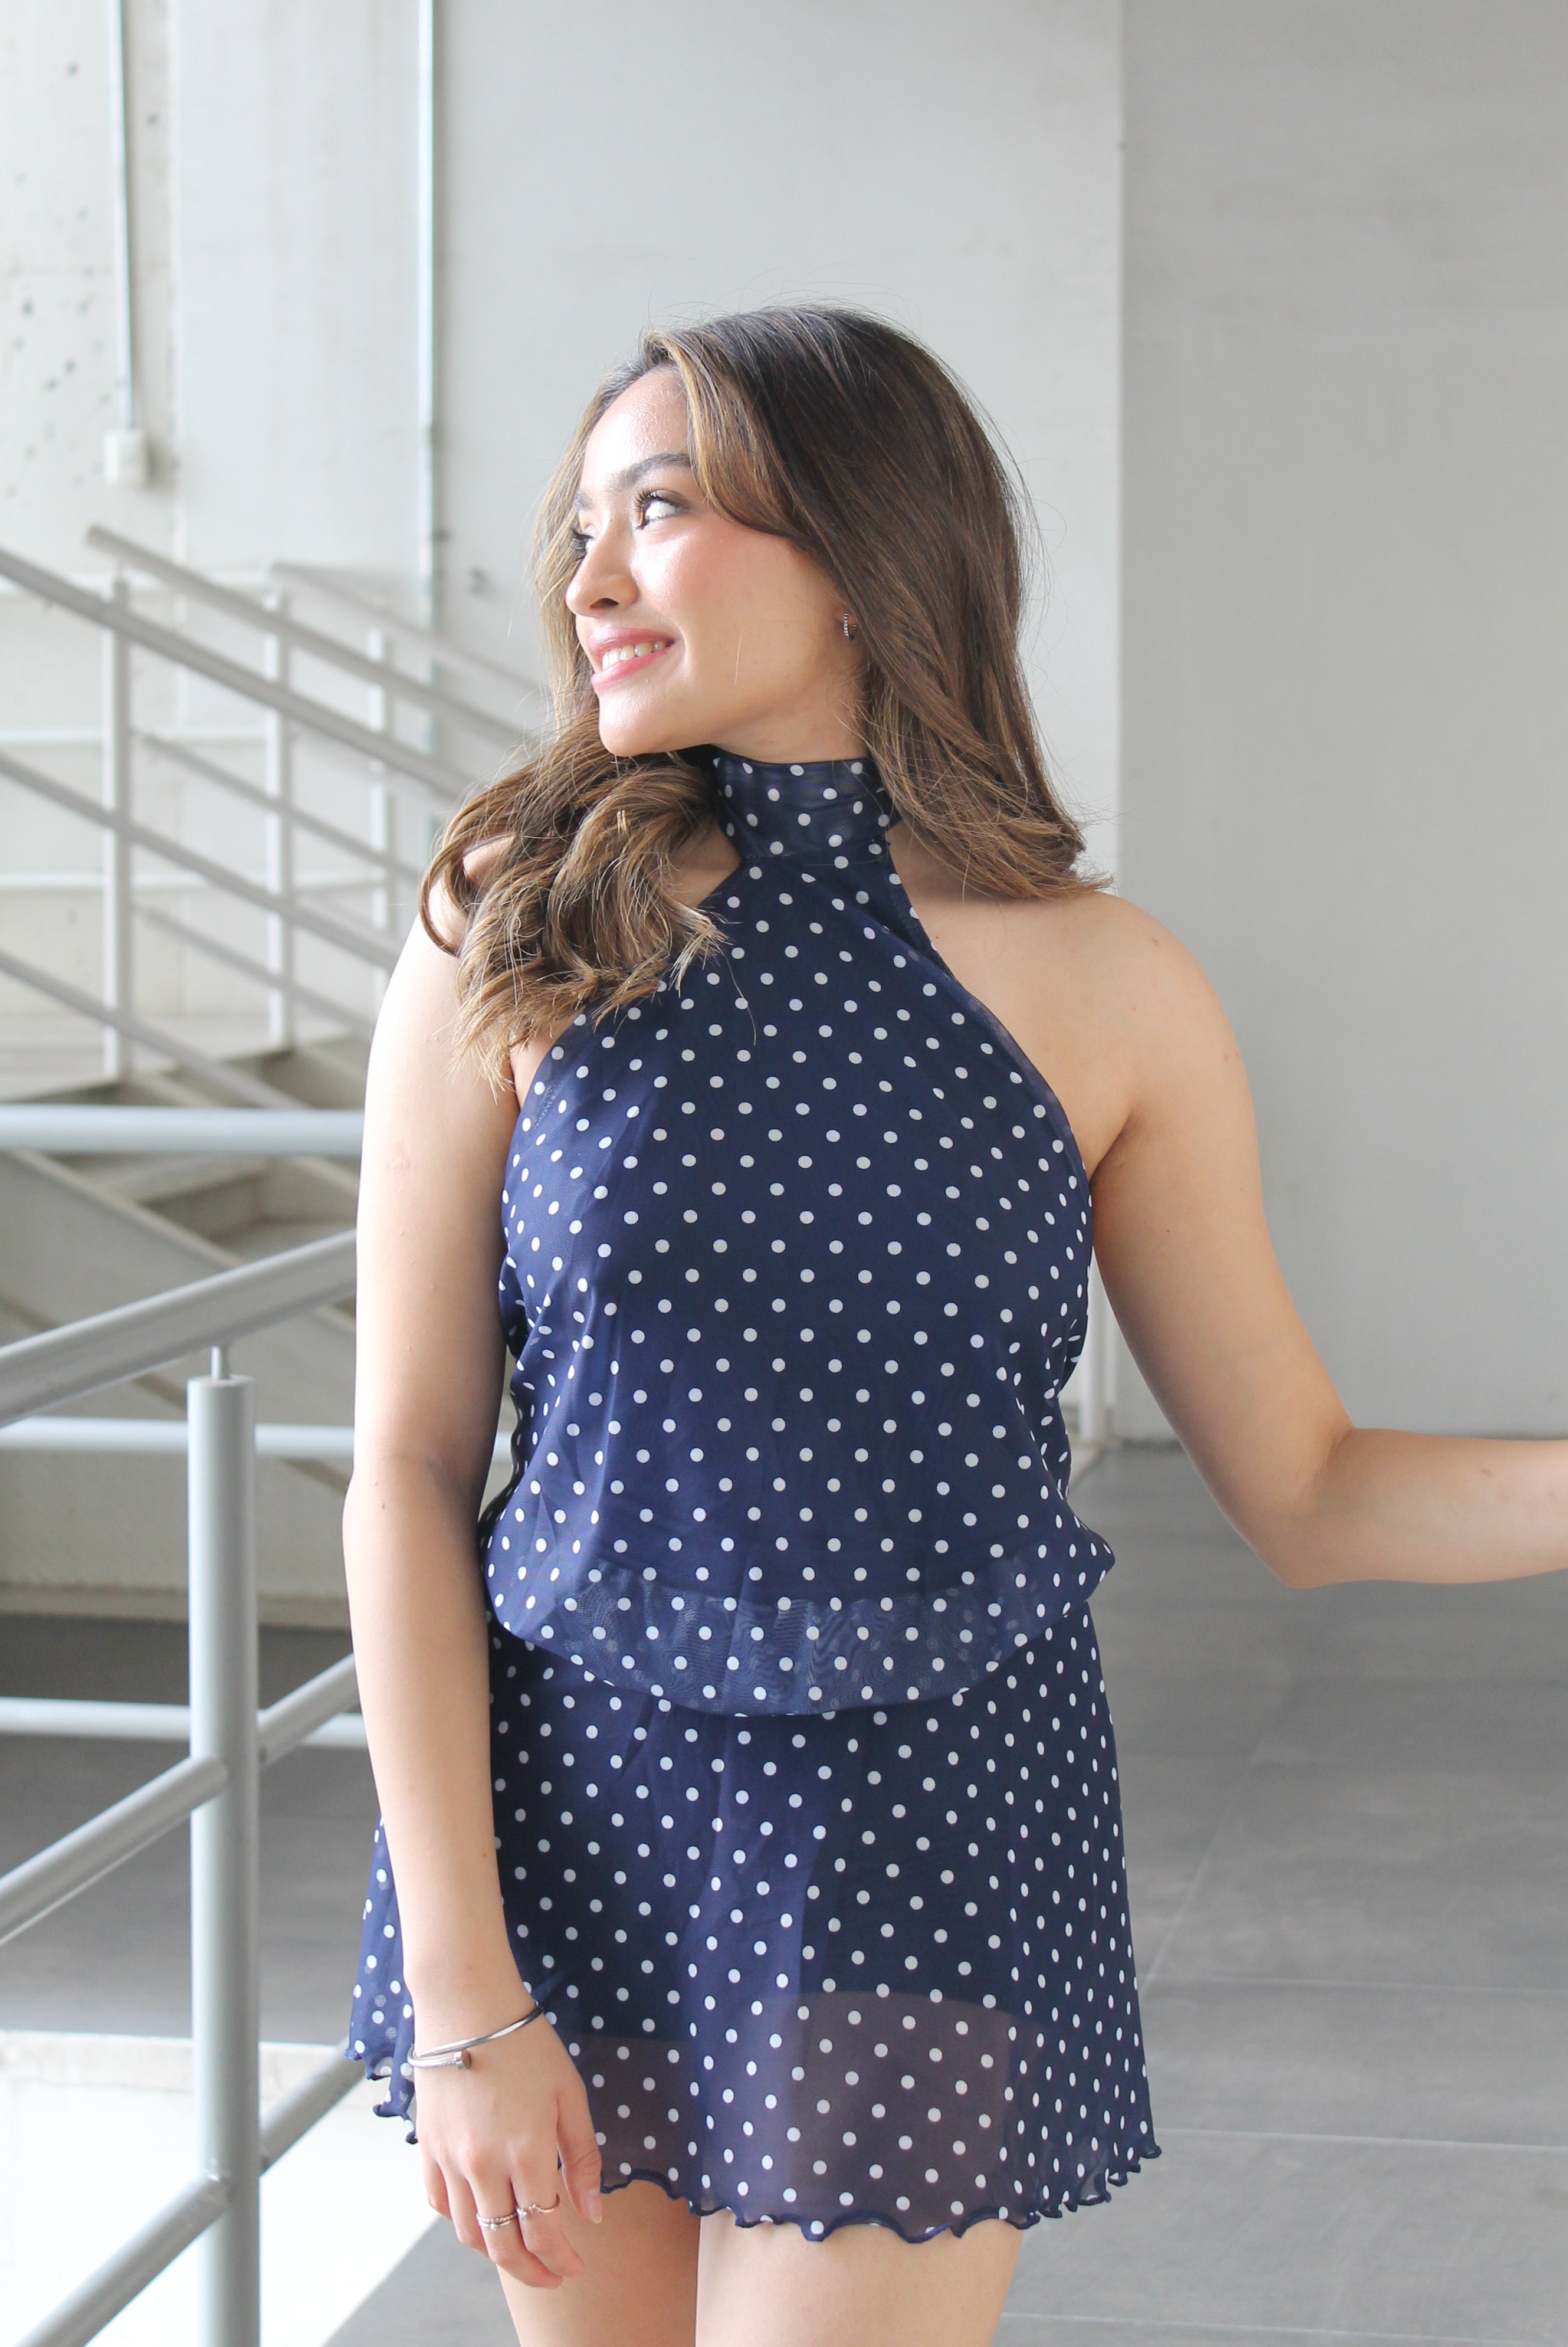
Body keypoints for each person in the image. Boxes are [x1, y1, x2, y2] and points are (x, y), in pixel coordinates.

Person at [342, 306, 1568, 2347]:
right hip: (570, 1820)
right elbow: (403, 1464)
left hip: (925, 1828)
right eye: (579, 528)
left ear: (859, 545)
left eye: (663, 509)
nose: (591, 578)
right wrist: (471, 1994)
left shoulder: (1108, 983)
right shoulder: (512, 918)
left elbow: (1311, 1488)